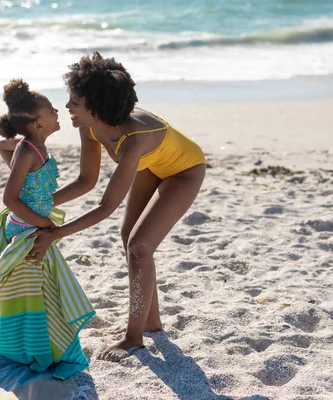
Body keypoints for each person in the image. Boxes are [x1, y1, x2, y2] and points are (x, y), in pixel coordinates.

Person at [26, 52, 206, 362]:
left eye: (75, 102)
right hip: (154, 164)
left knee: (139, 246)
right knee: (130, 239)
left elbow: (106, 206)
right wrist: (39, 203)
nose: (67, 106)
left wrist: (56, 234)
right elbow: (86, 180)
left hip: (184, 171)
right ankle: (151, 322)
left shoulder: (133, 141)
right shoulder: (90, 124)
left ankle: (134, 337)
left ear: (96, 108)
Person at [0, 79, 95, 380]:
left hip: (33, 225)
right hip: (26, 233)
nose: (58, 111)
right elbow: (9, 199)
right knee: (29, 294)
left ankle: (36, 345)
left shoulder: (32, 147)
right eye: (52, 109)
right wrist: (45, 223)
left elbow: (3, 146)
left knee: (39, 290)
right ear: (38, 123)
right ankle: (31, 349)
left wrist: (26, 181)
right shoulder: (28, 151)